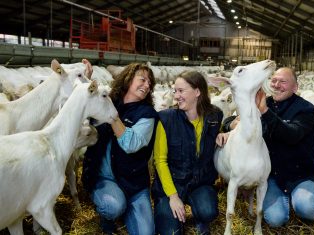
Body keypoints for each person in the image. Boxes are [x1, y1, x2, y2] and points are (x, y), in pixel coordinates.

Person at [218, 67, 314, 227]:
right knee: (275, 220)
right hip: (272, 175)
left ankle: (300, 199)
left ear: (295, 87)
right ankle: (286, 202)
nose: (276, 85)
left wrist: (265, 111)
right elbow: (233, 119)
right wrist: (230, 126)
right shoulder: (263, 103)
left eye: (283, 82)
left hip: (301, 174)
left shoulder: (306, 110)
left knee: (307, 209)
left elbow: (292, 135)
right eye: (273, 80)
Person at [82, 63, 158, 235]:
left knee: (146, 233)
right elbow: (83, 100)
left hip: (134, 182)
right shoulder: (108, 99)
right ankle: (108, 217)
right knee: (113, 206)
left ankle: (125, 206)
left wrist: (112, 115)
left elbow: (130, 144)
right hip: (105, 177)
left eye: (150, 83)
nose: (147, 85)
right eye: (143, 80)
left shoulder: (147, 114)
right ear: (128, 79)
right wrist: (86, 79)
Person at [152, 70, 223, 235]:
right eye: (175, 91)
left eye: (181, 91)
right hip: (172, 183)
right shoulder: (166, 119)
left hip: (199, 182)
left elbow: (222, 131)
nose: (176, 96)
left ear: (197, 92)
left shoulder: (214, 116)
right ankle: (171, 214)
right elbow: (160, 161)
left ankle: (199, 216)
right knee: (171, 232)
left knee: (209, 212)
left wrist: (226, 131)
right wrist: (173, 197)